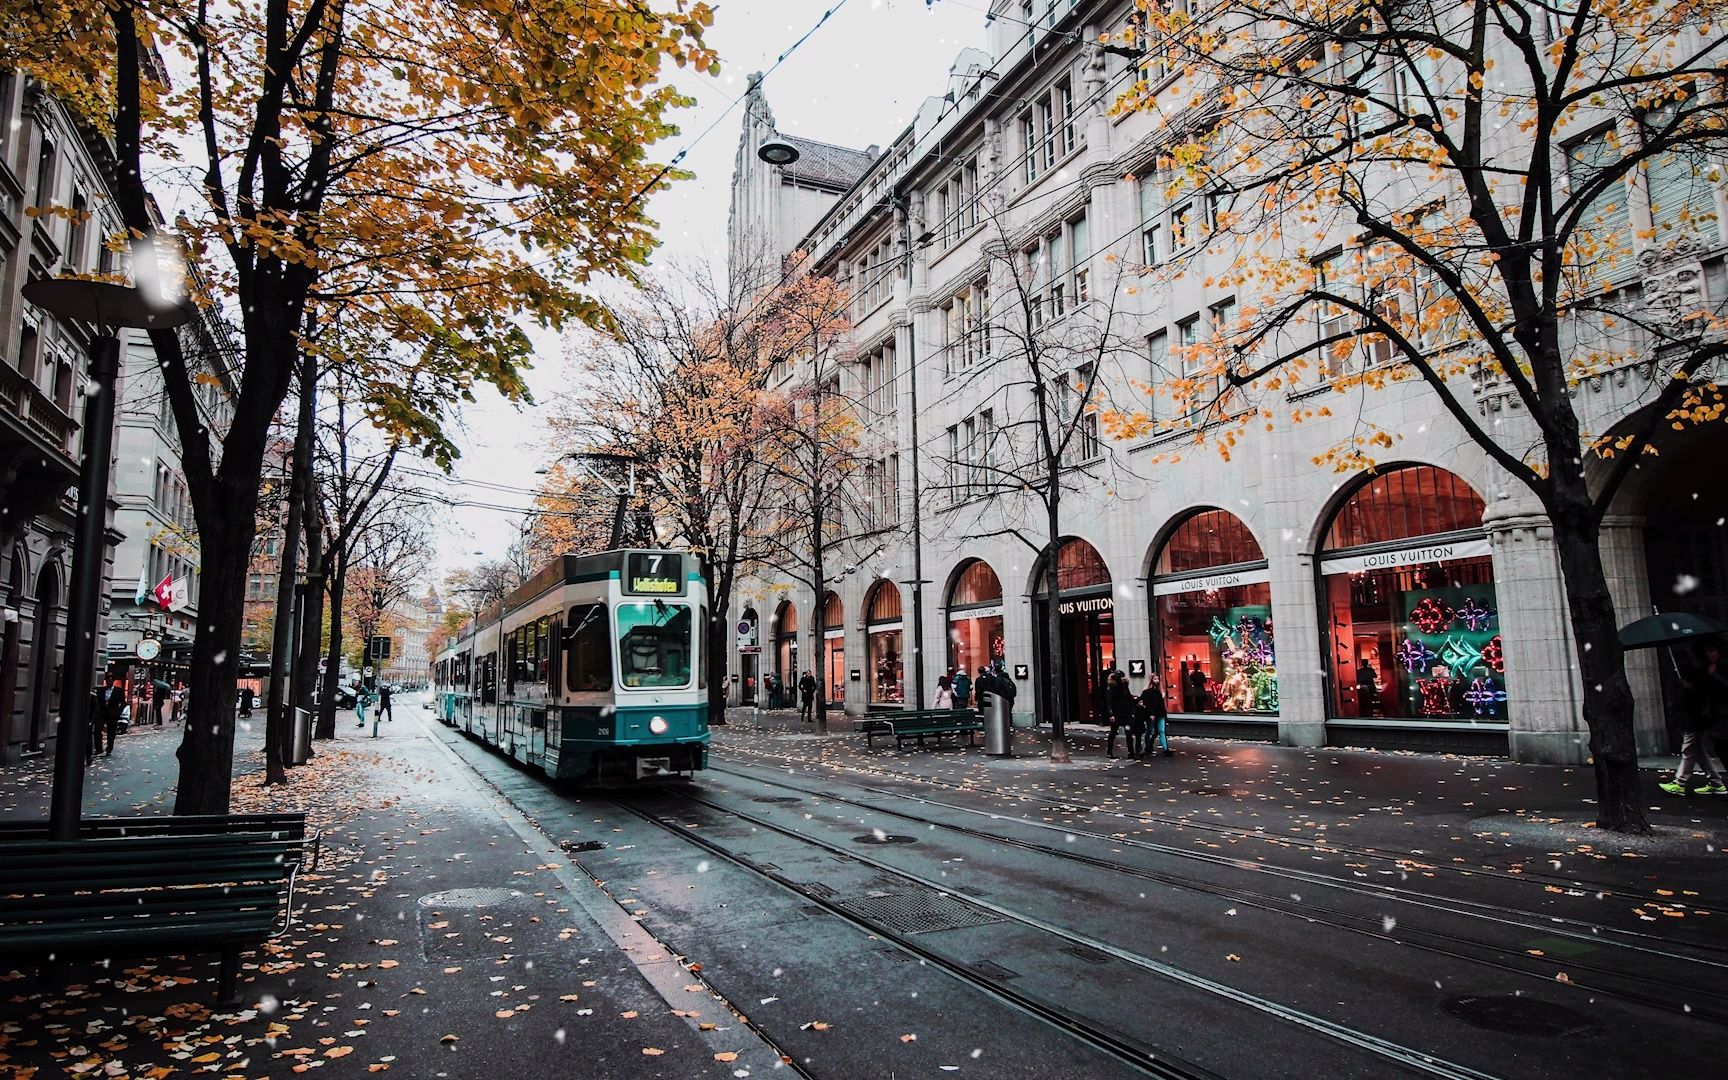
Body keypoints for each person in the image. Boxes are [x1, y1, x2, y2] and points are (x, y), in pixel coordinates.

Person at [1662, 641, 1728, 796]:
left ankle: (1680, 782)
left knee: (1689, 749)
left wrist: (1694, 687)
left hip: (1702, 717)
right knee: (1698, 751)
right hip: (1700, 716)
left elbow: (1714, 691)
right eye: (1707, 652)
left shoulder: (1715, 669)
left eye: (1712, 650)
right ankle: (1716, 782)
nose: (1709, 655)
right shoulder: (1703, 671)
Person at [1138, 676, 1171, 757]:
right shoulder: (1148, 692)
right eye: (1155, 679)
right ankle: (1150, 746)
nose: (1157, 681)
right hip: (1153, 714)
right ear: (1151, 680)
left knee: (1159, 731)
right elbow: (1146, 704)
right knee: (1152, 731)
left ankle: (1164, 748)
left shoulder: (1158, 692)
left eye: (1158, 679)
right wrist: (1151, 713)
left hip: (1159, 714)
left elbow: (1161, 705)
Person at [93, 678, 126, 759]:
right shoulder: (101, 690)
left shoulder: (119, 691)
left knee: (111, 733)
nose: (109, 682)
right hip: (101, 714)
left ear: (113, 681)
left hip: (113, 714)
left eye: (110, 681)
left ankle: (109, 749)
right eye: (107, 680)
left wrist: (118, 712)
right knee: (97, 730)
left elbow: (123, 703)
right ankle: (98, 749)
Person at [1105, 670, 1135, 758]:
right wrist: (1111, 714)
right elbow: (1108, 702)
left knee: (1128, 732)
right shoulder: (1112, 688)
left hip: (1126, 713)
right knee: (1114, 732)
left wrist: (1132, 712)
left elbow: (1129, 699)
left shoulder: (1124, 687)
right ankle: (1109, 750)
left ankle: (1131, 752)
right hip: (1117, 713)